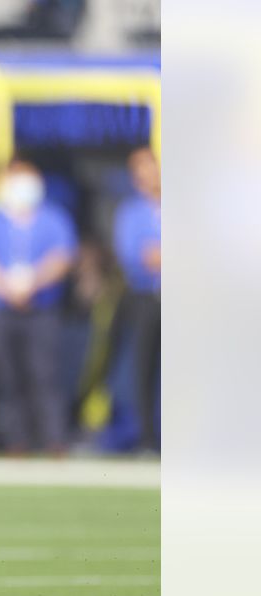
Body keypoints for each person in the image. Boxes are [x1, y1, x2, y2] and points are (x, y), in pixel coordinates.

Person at [0, 158, 78, 454]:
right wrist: (6, 287)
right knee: (7, 375)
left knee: (44, 374)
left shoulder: (53, 218)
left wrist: (33, 284)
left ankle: (54, 439)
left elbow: (62, 257)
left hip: (41, 308)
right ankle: (17, 440)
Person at [113, 147, 161, 451]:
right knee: (144, 367)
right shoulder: (131, 212)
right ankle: (145, 438)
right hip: (146, 297)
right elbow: (136, 256)